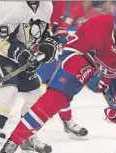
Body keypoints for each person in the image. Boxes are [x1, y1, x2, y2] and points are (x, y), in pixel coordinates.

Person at [0, 4, 116, 153]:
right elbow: (70, 52)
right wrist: (87, 73)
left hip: (114, 76)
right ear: (115, 25)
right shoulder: (97, 25)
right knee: (52, 100)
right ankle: (14, 141)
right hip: (82, 63)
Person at [0, 1, 59, 153]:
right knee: (8, 91)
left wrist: (47, 43)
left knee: (35, 95)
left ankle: (27, 137)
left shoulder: (46, 4)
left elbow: (43, 29)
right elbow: (2, 40)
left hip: (19, 49)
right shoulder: (12, 5)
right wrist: (22, 54)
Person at [36, 1, 88, 140]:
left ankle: (67, 120)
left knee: (58, 85)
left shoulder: (58, 3)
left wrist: (61, 31)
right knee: (7, 92)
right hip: (19, 48)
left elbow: (55, 21)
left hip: (42, 51)